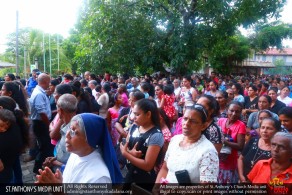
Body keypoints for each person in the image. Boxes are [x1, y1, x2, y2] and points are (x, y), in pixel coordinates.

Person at [36, 113, 123, 183]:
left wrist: (59, 192)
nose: (67, 135)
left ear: (90, 139)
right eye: (69, 129)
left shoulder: (99, 178)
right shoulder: (76, 153)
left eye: (74, 132)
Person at [155, 104, 219, 184]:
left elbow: (207, 189)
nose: (186, 123)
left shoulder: (208, 151)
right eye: (185, 119)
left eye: (193, 121)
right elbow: (165, 168)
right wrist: (156, 187)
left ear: (203, 126)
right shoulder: (175, 140)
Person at [120, 99, 164, 191]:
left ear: (148, 114)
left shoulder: (156, 135)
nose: (133, 117)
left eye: (137, 114)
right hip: (130, 173)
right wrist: (130, 152)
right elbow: (125, 144)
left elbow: (148, 165)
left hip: (144, 180)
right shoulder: (134, 127)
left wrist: (126, 154)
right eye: (133, 114)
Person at [238, 117, 281, 183]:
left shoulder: (277, 149)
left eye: (269, 128)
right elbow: (240, 158)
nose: (264, 131)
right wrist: (241, 176)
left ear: (277, 131)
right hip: (243, 181)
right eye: (262, 127)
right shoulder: (253, 140)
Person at [43, 94, 78, 172]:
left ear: (61, 111)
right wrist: (55, 158)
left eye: (57, 108)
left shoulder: (73, 132)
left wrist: (56, 163)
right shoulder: (65, 125)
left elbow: (76, 164)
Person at [29, 73, 53, 174]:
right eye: (49, 81)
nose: (50, 83)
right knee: (44, 147)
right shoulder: (39, 93)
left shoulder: (40, 91)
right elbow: (42, 113)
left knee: (44, 146)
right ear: (45, 82)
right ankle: (38, 169)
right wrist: (48, 125)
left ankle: (41, 168)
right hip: (41, 124)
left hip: (41, 123)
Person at [217, 101, 246, 183]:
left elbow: (240, 146)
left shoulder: (241, 125)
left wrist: (225, 141)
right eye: (231, 110)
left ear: (240, 113)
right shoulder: (221, 121)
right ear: (227, 110)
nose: (234, 114)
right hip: (218, 159)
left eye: (237, 112)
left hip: (230, 162)